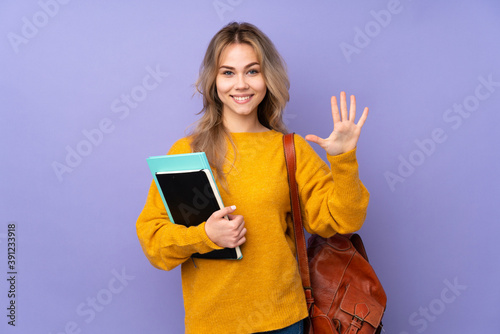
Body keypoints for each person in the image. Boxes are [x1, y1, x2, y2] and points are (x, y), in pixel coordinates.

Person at [136, 22, 369, 334]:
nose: (241, 84)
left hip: (283, 320)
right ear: (213, 80)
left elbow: (341, 221)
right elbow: (154, 243)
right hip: (212, 323)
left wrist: (343, 160)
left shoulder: (290, 150)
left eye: (252, 71)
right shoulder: (187, 152)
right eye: (228, 72)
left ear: (267, 77)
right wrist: (205, 236)